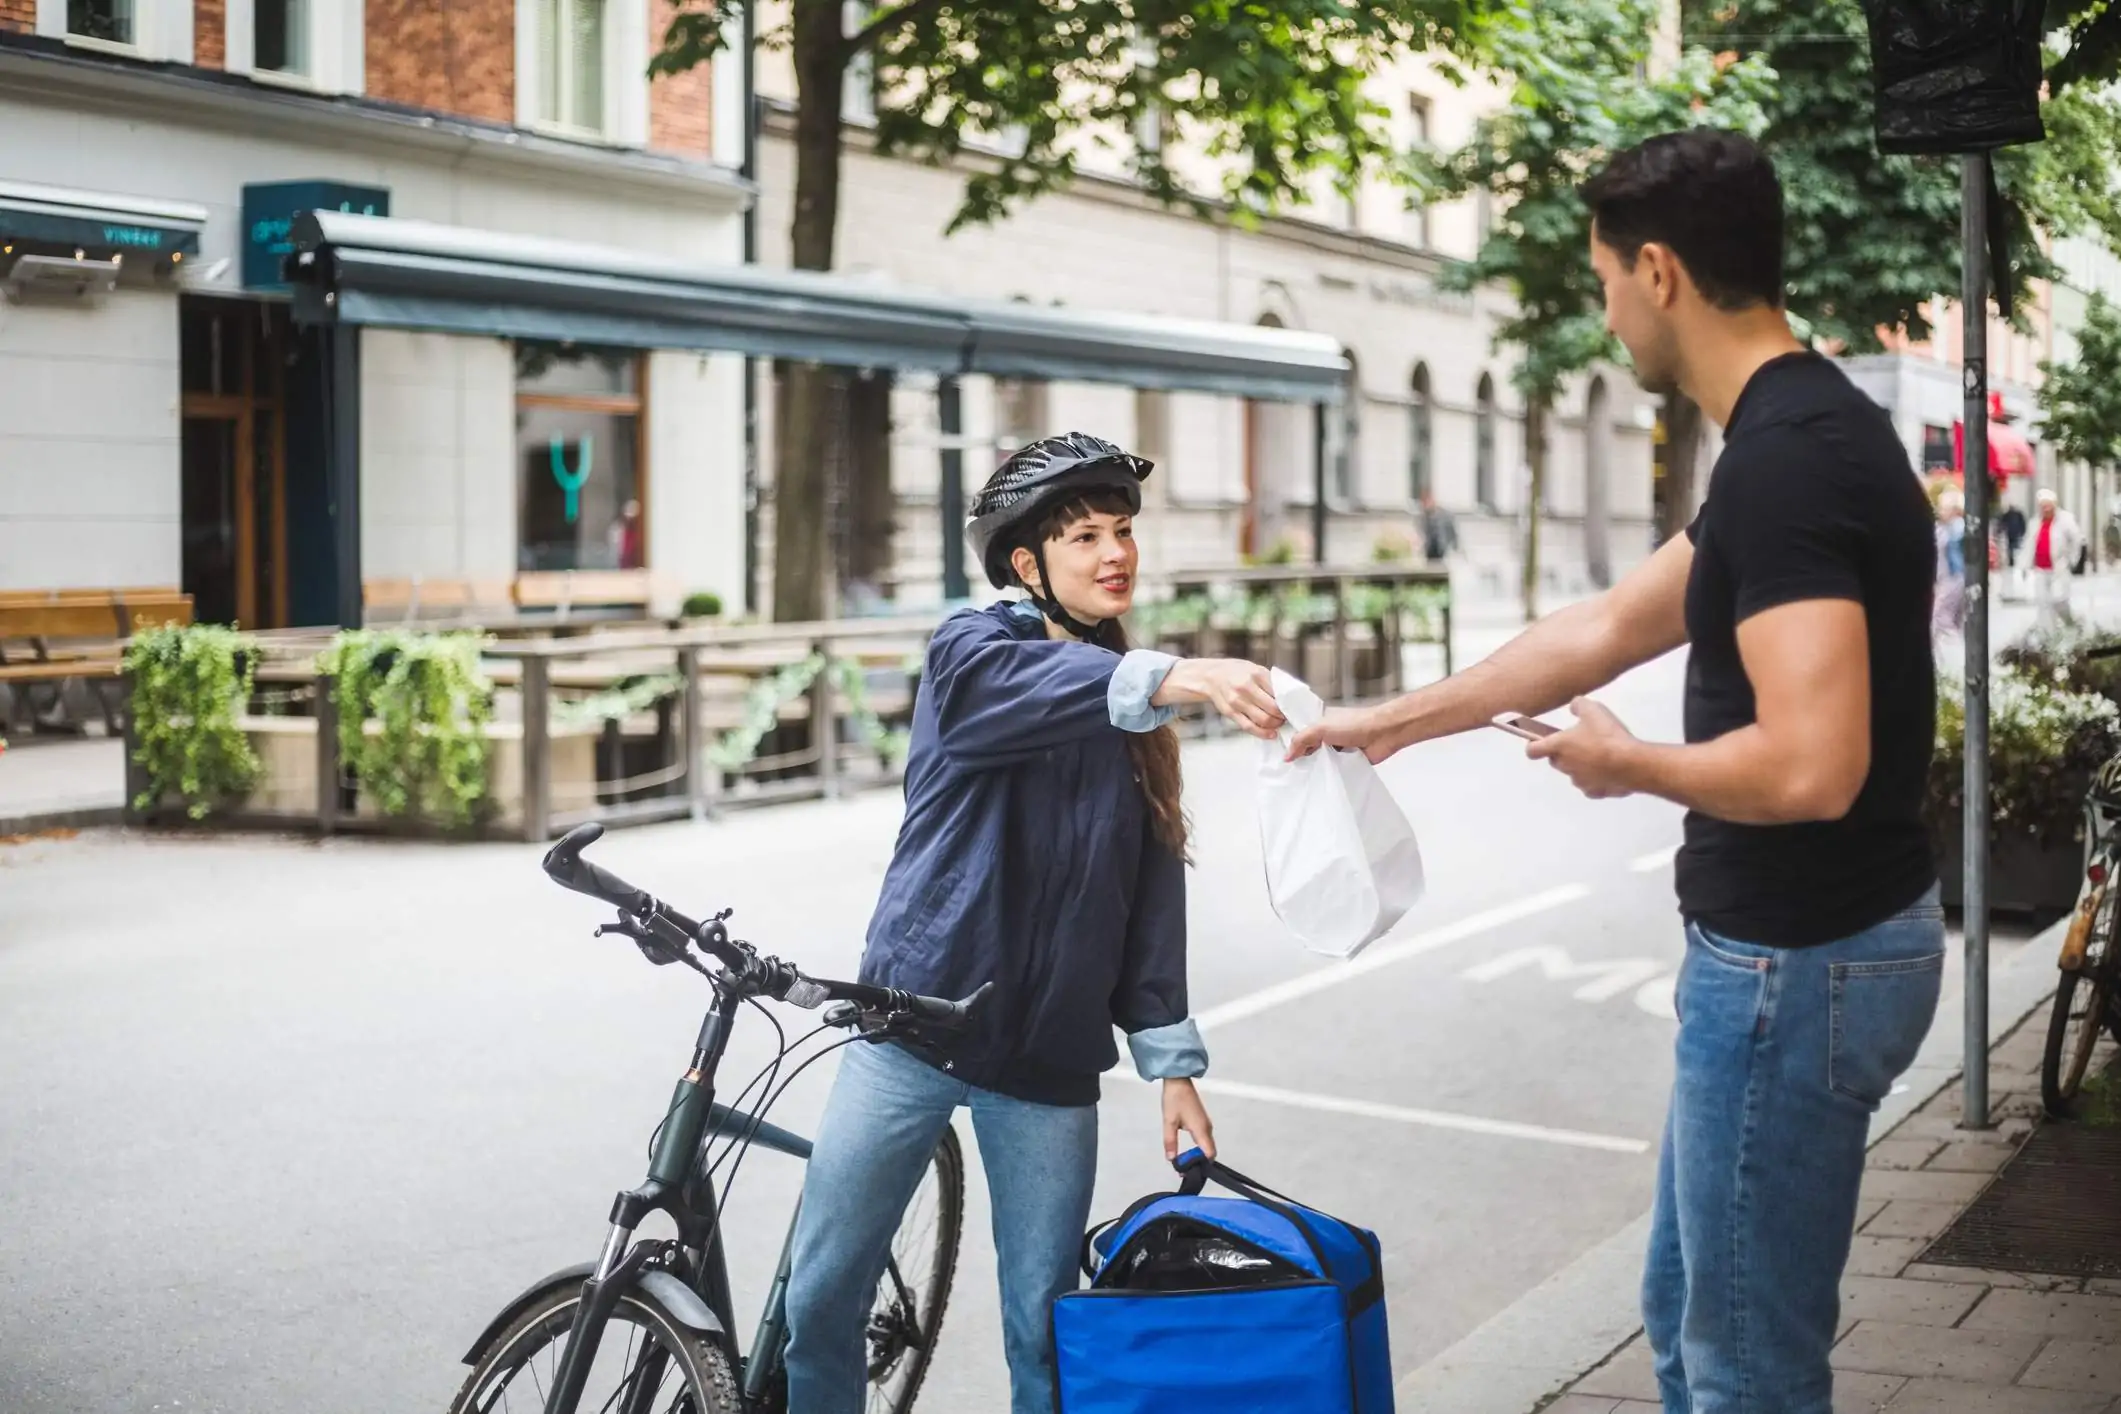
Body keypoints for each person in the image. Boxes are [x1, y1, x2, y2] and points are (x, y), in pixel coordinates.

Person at [1292, 131, 1942, 1414]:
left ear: (1658, 271)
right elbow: (1602, 626)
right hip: (1796, 957)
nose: (1602, 315)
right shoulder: (1793, 434)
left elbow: (1816, 764)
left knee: (1745, 1371)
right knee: (1683, 1314)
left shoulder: (1791, 458)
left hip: (1794, 965)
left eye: (1600, 281)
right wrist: (1395, 723)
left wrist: (1627, 762)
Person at [781, 432, 1287, 1414]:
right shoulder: (973, 652)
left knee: (1048, 1338)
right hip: (912, 1027)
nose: (1116, 553)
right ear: (1028, 564)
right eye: (1087, 534)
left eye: (1125, 531)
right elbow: (1004, 702)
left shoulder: (1132, 718)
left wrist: (1172, 1063)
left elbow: (1146, 905)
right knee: (821, 1302)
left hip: (1050, 1062)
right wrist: (1172, 677)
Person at [2031, 488, 2085, 627]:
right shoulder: (2035, 522)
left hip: (2059, 568)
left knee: (2059, 600)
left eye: (2048, 505)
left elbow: (2077, 540)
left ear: (2054, 505)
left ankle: (2071, 622)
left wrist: (2072, 560)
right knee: (2043, 603)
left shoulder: (2065, 519)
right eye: (2043, 506)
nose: (2046, 509)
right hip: (2041, 569)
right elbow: (2028, 544)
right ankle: (2048, 635)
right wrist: (2023, 565)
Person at [1932, 488, 1966, 644]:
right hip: (1951, 576)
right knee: (1956, 619)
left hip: (1954, 576)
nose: (1940, 512)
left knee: (1941, 616)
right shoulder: (1946, 527)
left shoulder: (1957, 527)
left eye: (1944, 508)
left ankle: (1954, 654)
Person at [1420, 492, 1459, 565]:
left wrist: (1455, 545)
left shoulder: (1444, 515)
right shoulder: (1424, 516)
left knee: (1441, 563)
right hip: (1430, 547)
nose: (1426, 506)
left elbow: (1452, 530)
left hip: (1441, 546)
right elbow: (1422, 530)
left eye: (1427, 502)